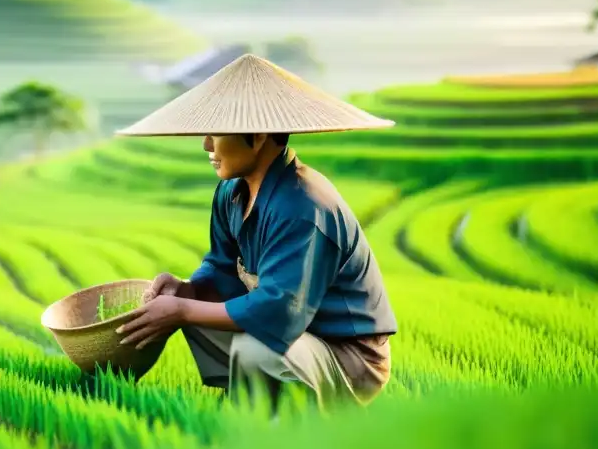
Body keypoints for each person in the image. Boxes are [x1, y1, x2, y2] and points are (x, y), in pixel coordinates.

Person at [113, 53, 399, 411]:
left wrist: (183, 309)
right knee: (193, 307)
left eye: (215, 133)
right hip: (300, 333)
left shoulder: (303, 206)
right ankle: (255, 401)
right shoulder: (232, 192)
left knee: (255, 349)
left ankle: (281, 421)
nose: (206, 145)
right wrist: (187, 289)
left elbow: (279, 312)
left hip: (347, 356)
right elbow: (220, 266)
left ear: (259, 135)